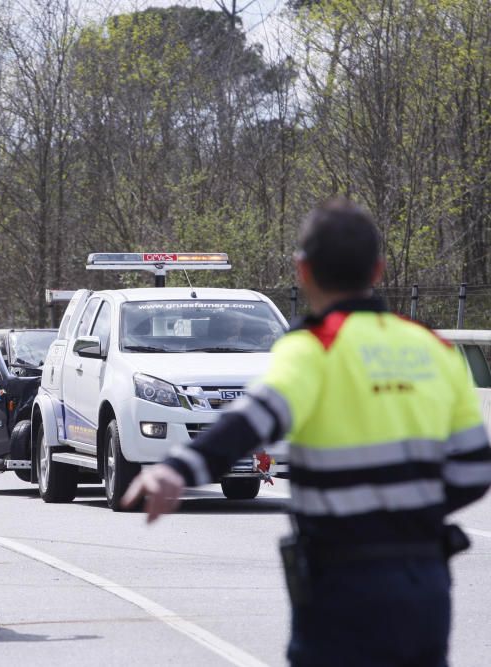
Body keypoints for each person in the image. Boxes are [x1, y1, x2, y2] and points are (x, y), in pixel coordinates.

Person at [122, 198, 491, 666]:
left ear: (303, 271)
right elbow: (475, 471)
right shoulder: (433, 348)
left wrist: (179, 469)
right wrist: (409, 516)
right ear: (377, 270)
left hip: (341, 582)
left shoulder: (315, 347)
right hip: (425, 581)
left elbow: (251, 420)